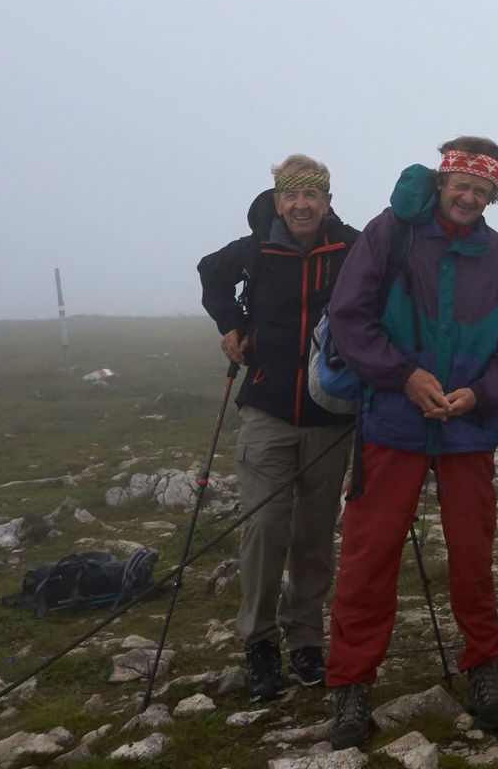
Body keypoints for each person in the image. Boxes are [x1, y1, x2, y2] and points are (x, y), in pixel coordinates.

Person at [322, 138, 498, 747]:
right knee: (370, 554)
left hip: (466, 428)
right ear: (442, 182)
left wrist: (483, 394)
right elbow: (350, 316)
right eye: (461, 184)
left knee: (473, 555)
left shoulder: (497, 254)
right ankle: (352, 688)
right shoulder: (390, 233)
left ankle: (484, 670)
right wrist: (404, 376)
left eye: (484, 189)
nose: (470, 197)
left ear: (495, 194)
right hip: (392, 421)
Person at [196, 155, 358, 701]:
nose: (302, 205)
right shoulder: (256, 249)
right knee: (265, 527)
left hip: (331, 414)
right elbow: (210, 273)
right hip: (266, 407)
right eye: (291, 196)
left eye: (312, 195)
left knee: (315, 533)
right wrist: (231, 325)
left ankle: (306, 638)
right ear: (278, 200)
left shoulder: (352, 249)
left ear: (328, 201)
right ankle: (259, 640)